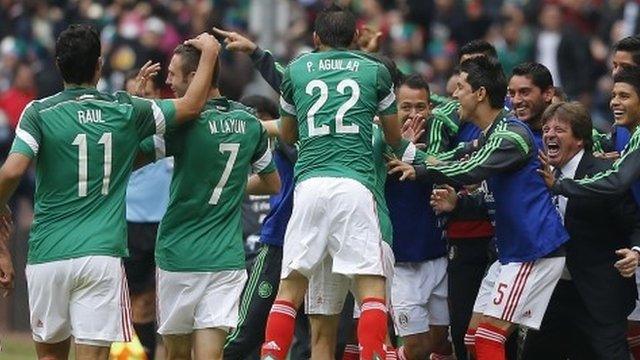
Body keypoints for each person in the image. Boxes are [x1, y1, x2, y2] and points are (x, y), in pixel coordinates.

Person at [0, 24, 217, 360]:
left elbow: (13, 170)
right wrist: (212, 54)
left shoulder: (38, 112)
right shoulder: (126, 109)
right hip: (100, 256)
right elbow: (190, 106)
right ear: (99, 66)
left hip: (48, 255)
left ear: (58, 65)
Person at [390, 56, 568, 360]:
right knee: (472, 338)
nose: (454, 94)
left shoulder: (513, 135)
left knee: (487, 340)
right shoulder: (490, 134)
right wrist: (413, 158)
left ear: (480, 93)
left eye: (460, 87)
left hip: (534, 251)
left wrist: (418, 170)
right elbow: (457, 156)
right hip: (510, 253)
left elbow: (470, 168)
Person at [260, 5, 412, 360]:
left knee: (290, 287)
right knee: (372, 288)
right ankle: (375, 354)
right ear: (357, 39)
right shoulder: (374, 70)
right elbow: (392, 137)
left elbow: (287, 133)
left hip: (309, 185)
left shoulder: (296, 69)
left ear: (315, 39)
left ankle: (270, 354)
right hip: (354, 186)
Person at [137, 42, 280, 360]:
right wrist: (232, 189)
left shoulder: (185, 124)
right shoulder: (248, 122)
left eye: (174, 75)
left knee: (175, 354)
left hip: (180, 255)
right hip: (225, 259)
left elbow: (133, 158)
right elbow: (272, 183)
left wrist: (142, 108)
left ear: (194, 75)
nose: (169, 82)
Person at [523, 101, 640, 359]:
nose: (550, 135)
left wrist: (636, 251)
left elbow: (635, 223)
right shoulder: (538, 173)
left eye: (559, 130)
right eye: (546, 129)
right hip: (552, 291)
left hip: (598, 295)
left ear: (579, 139)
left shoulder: (603, 175)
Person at [386, 74, 455, 360]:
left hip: (438, 257)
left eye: (421, 107)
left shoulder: (443, 141)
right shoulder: (379, 142)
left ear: (430, 108)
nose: (414, 115)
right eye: (406, 107)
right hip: (401, 263)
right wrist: (404, 148)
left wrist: (415, 154)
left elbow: (454, 169)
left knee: (440, 342)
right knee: (415, 347)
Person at [121, 68, 173, 360]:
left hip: (164, 223)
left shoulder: (170, 131)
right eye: (136, 95)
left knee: (152, 301)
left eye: (148, 94)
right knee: (127, 302)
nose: (142, 99)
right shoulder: (121, 131)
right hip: (128, 222)